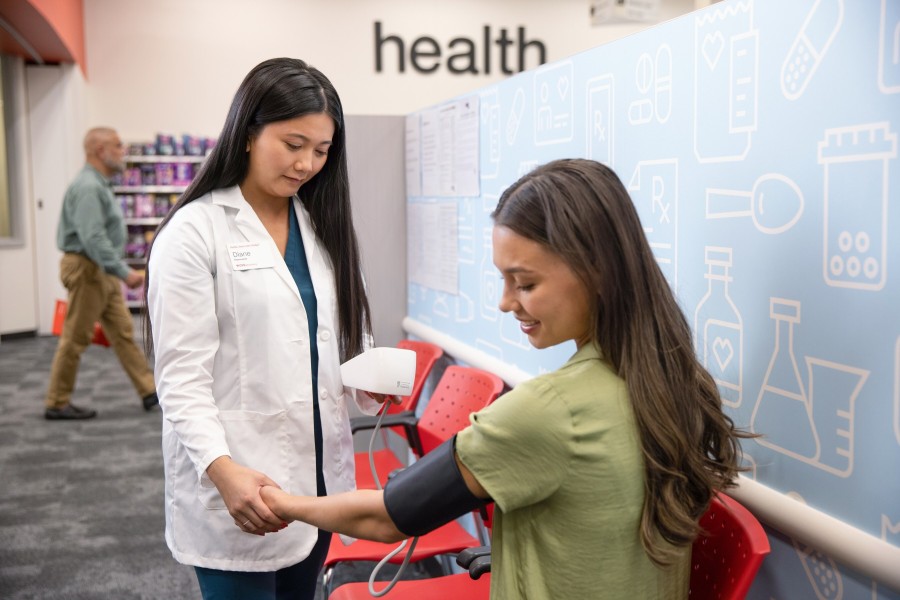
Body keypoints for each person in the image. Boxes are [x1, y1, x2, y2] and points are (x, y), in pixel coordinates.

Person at [260, 159, 754, 599]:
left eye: (526, 283)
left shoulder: (551, 410)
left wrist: (282, 502)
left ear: (597, 271)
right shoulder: (670, 381)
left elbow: (385, 518)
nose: (505, 301)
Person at [145, 58, 395, 600]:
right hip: (239, 481)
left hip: (319, 485)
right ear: (248, 133)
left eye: (322, 151)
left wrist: (365, 380)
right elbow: (181, 380)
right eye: (293, 143)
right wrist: (222, 469)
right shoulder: (194, 234)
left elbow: (341, 340)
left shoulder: (321, 229)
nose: (307, 163)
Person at [44, 127, 158, 420]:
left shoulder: (99, 184)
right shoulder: (89, 188)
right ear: (99, 150)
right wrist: (125, 273)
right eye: (118, 146)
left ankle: (149, 390)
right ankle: (57, 402)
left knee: (122, 332)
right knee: (76, 337)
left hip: (99, 270)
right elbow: (92, 237)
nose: (123, 151)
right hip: (88, 269)